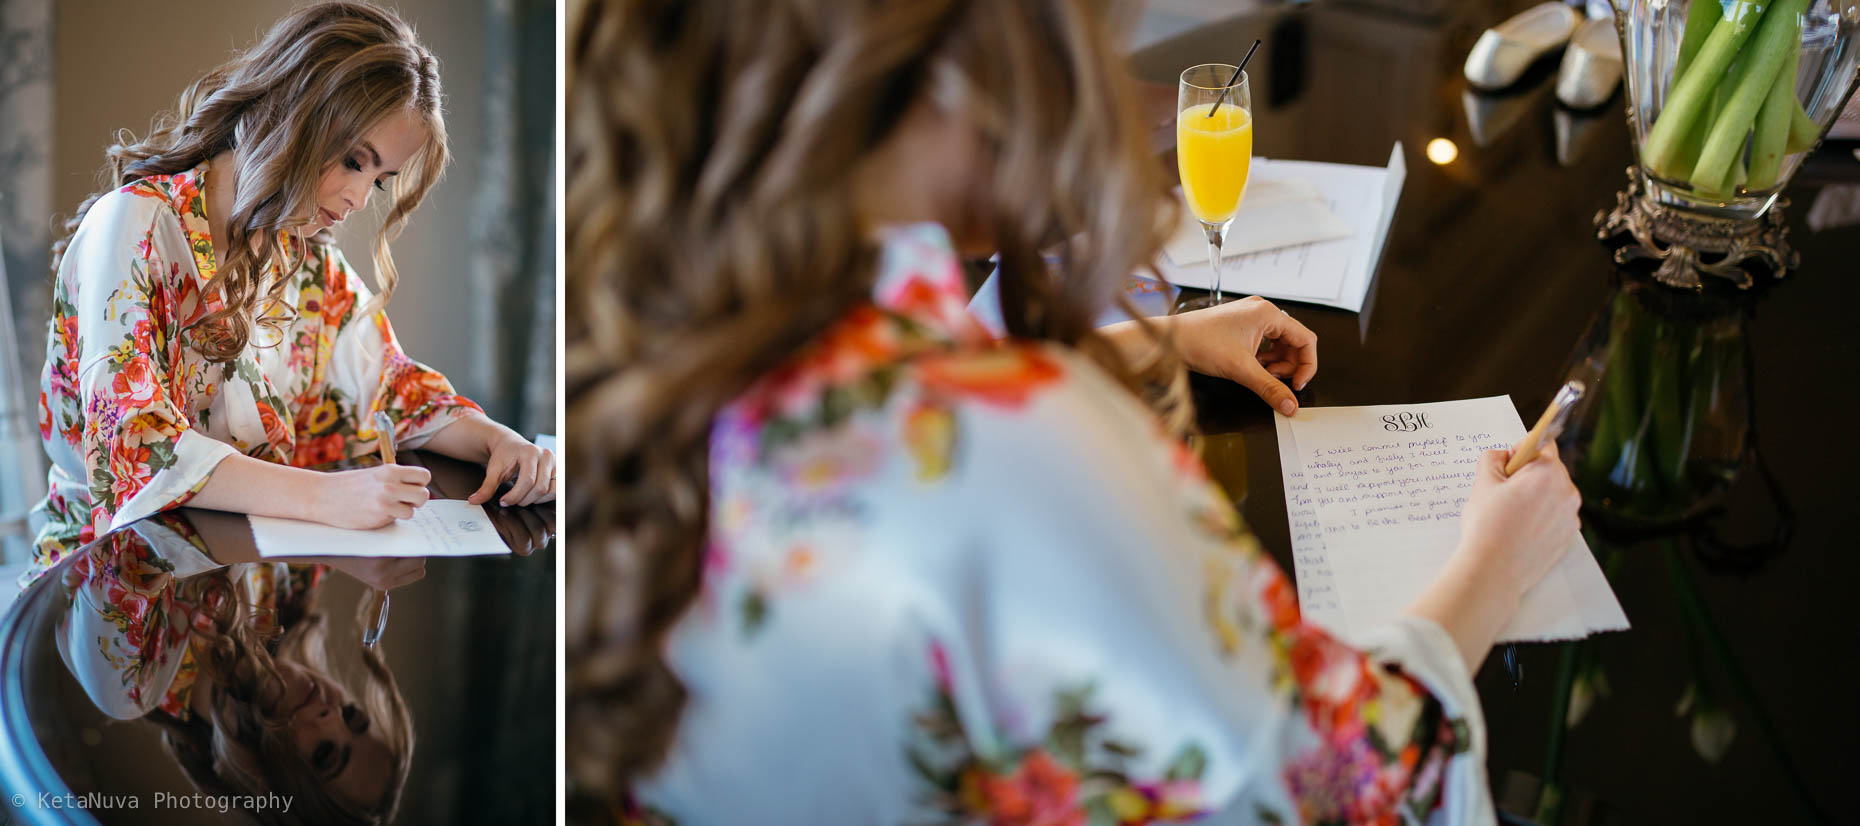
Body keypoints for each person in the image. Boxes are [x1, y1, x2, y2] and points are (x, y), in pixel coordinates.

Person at [564, 0, 1582, 824]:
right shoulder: (1013, 437)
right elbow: (1339, 781)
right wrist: (1499, 558)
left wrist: (1142, 343)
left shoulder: (643, 326)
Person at [28, 0, 555, 592]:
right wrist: (327, 498)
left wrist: (498, 441)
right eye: (354, 160)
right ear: (293, 110)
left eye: (378, 180)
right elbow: (134, 445)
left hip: (237, 583)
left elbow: (391, 387)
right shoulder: (135, 226)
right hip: (109, 582)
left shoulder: (306, 262)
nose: (359, 198)